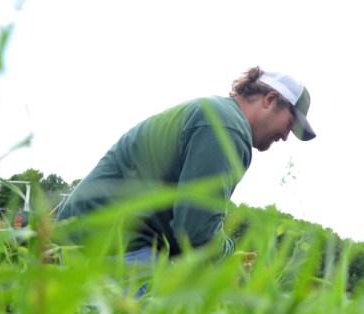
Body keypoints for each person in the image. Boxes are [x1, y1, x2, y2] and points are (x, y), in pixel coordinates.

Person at [55, 66, 315, 267]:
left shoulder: (219, 116)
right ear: (270, 99)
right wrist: (226, 256)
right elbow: (195, 231)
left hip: (107, 239)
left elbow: (185, 233)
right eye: (289, 123)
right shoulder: (226, 126)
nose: (285, 136)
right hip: (104, 246)